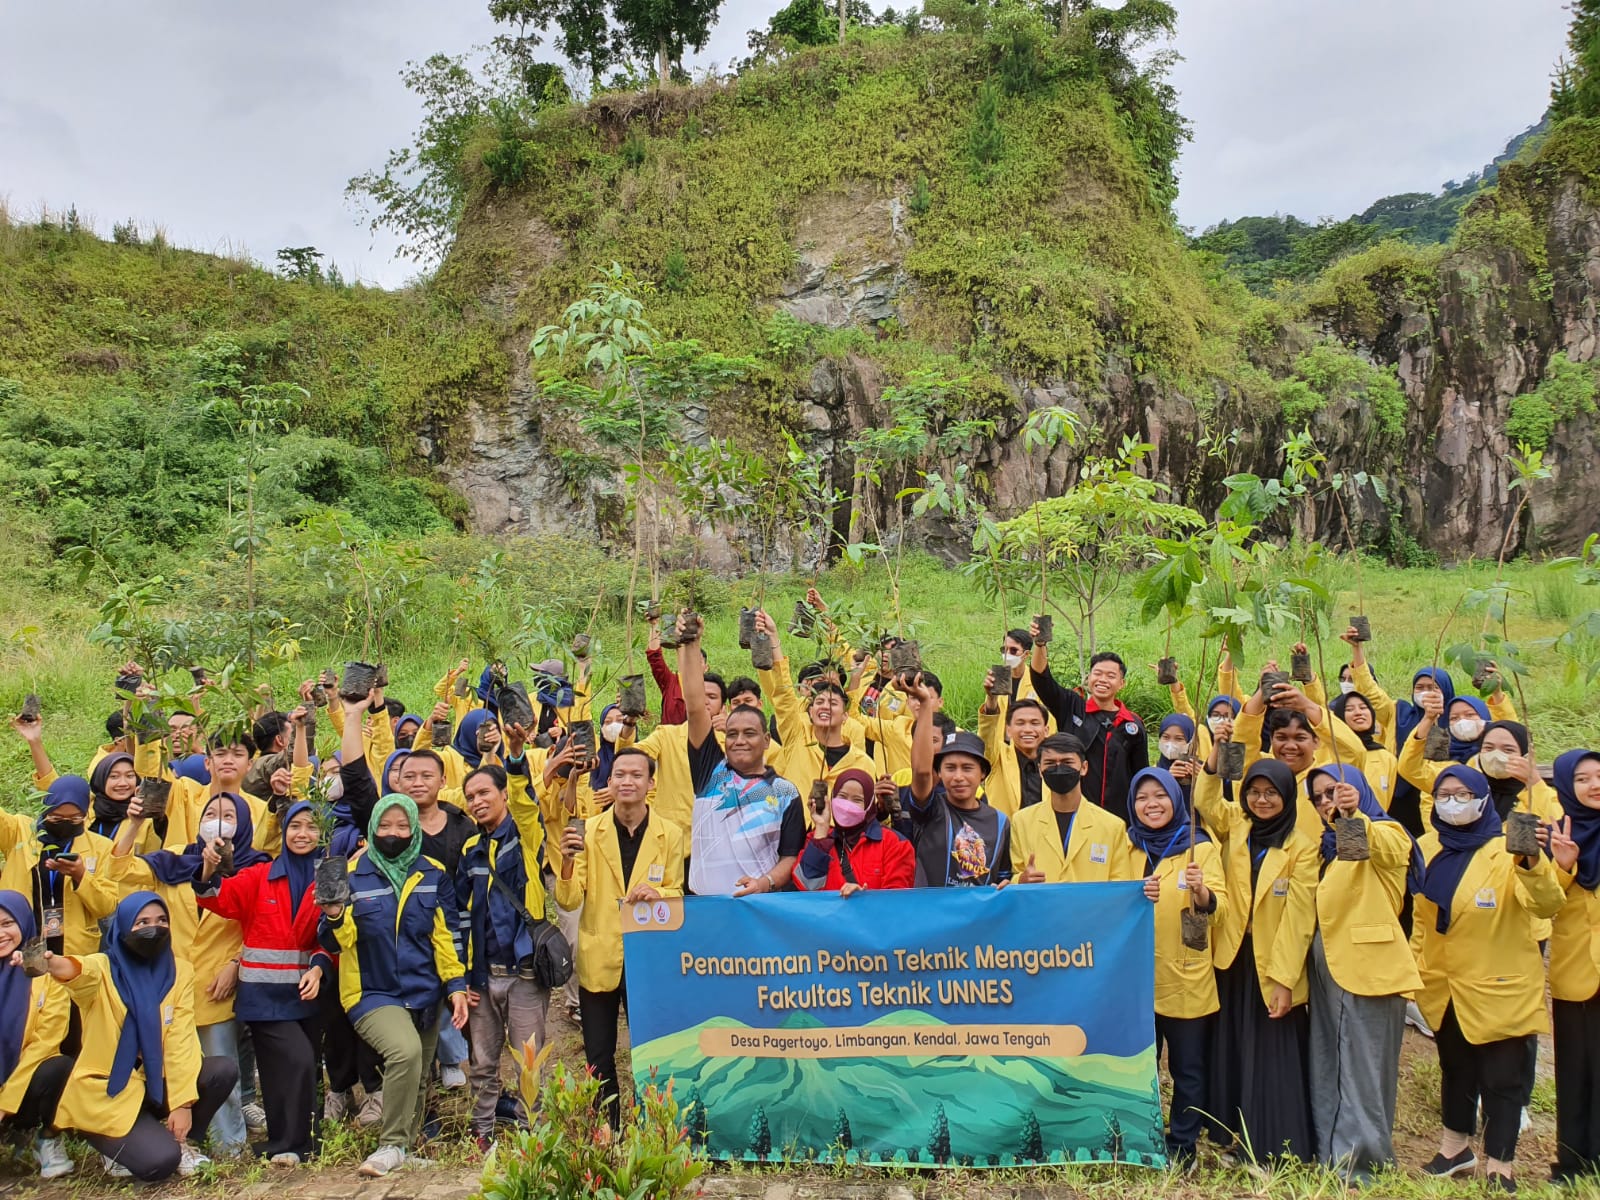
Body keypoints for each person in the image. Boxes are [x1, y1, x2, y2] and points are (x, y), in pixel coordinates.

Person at [1413, 765, 1563, 1190]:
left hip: (1498, 983)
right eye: (1445, 793)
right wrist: (1419, 966)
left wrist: (1533, 863)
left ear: (1482, 800)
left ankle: (1501, 1165)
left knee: (1502, 1078)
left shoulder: (1508, 849)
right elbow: (1422, 920)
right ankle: (1453, 1149)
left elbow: (1546, 904)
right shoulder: (1427, 846)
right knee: (1455, 1068)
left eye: (1463, 793)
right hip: (1445, 984)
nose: (1453, 801)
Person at [318, 792, 468, 1177]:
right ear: (372, 828)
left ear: (415, 829)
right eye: (385, 825)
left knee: (418, 1073)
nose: (393, 833)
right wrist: (335, 914)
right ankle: (390, 1145)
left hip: (424, 991)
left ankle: (407, 1144)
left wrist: (455, 985)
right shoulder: (352, 873)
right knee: (404, 1052)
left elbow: (446, 935)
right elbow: (335, 941)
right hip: (370, 992)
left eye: (403, 826)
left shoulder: (432, 873)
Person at [108, 788, 264, 1158]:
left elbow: (263, 924)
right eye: (211, 813)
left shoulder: (256, 867)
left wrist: (236, 964)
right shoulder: (174, 860)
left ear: (243, 826)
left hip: (217, 986)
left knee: (223, 1067)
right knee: (166, 1069)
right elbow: (119, 871)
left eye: (229, 816)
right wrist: (133, 823)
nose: (218, 822)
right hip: (167, 987)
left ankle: (231, 1146)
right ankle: (173, 1142)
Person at [48, 892, 239, 1181]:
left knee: (220, 1070)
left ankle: (180, 1141)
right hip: (107, 1092)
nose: (154, 928)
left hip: (152, 1082)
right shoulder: (103, 967)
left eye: (162, 920)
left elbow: (181, 1040)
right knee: (158, 1164)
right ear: (124, 927)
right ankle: (113, 1144)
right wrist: (50, 962)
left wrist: (182, 1104)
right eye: (142, 922)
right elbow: (76, 971)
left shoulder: (179, 971)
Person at [1193, 757, 1317, 1166]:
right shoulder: (1239, 827)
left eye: (1271, 793)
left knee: (1270, 1054)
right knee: (1232, 1046)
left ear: (1287, 796)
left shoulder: (1302, 846)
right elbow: (1206, 800)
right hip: (1232, 957)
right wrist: (1212, 765)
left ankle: (1273, 1146)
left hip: (1272, 961)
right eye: (1254, 792)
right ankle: (1233, 1134)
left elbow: (1299, 920)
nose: (1262, 800)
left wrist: (1283, 978)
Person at [194, 801, 331, 1166]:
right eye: (295, 827)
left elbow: (330, 938)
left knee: (297, 1067)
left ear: (323, 833)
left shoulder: (329, 878)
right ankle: (292, 1142)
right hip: (263, 996)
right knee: (297, 1061)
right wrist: (208, 869)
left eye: (311, 827)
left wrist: (318, 968)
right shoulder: (260, 875)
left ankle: (297, 1142)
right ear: (283, 833)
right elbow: (215, 899)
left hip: (306, 994)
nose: (303, 834)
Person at [1303, 764, 1421, 1184]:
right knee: (1331, 1064)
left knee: (1364, 1072)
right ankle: (1332, 1153)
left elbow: (1388, 848)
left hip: (1367, 971)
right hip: (1329, 972)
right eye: (1317, 797)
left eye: (1332, 791)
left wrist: (1356, 816)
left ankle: (1363, 1166)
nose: (1325, 802)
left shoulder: (1384, 832)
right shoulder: (1328, 848)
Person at [556, 747, 685, 1126]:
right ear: (609, 782)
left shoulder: (670, 834)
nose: (627, 781)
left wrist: (658, 894)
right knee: (598, 1052)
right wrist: (565, 861)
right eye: (620, 775)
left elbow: (677, 893)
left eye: (636, 775)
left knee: (652, 1048)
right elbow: (569, 897)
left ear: (651, 783)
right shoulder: (589, 831)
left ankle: (655, 1127)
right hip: (599, 954)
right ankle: (608, 1130)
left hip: (647, 957)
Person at [1125, 768, 1223, 1169]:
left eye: (1160, 795)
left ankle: (1183, 1143)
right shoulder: (1127, 846)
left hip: (1186, 973)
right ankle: (1142, 1137)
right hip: (1135, 976)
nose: (1152, 804)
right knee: (1140, 1064)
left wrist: (1201, 891)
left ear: (1176, 800)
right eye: (1142, 797)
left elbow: (1221, 909)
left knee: (1187, 1068)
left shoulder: (1200, 847)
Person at [454, 762, 554, 1150]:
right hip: (482, 975)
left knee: (528, 1062)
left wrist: (515, 758)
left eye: (484, 793)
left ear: (502, 795)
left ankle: (534, 1135)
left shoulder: (526, 836)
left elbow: (527, 807)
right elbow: (462, 914)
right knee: (482, 1061)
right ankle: (483, 1133)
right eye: (471, 797)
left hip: (525, 973)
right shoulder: (470, 849)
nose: (477, 801)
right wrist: (464, 976)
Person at [678, 614, 805, 897]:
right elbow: (695, 706)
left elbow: (789, 856)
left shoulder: (786, 792)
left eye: (750, 733)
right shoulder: (710, 772)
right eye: (732, 734)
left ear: (767, 740)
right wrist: (691, 644)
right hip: (706, 909)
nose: (739, 740)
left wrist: (765, 883)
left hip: (758, 910)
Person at [1543, 749, 1600, 1185]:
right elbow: (1544, 904)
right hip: (1577, 972)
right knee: (1576, 1070)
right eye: (1582, 779)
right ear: (1566, 787)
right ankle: (1574, 1161)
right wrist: (1564, 867)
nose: (1594, 785)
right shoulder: (1558, 835)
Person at [756, 611, 875, 813]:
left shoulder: (862, 762)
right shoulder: (797, 736)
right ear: (809, 711)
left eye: (833, 703)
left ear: (846, 714)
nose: (825, 706)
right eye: (819, 701)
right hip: (796, 835)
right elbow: (784, 697)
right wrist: (774, 639)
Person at [904, 676, 1012, 887]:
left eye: (968, 768)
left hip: (978, 917)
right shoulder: (931, 808)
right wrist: (925, 704)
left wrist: (1012, 884)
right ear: (940, 773)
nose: (959, 776)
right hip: (934, 915)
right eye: (950, 768)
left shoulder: (1000, 822)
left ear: (982, 773)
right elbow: (921, 772)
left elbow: (1003, 876)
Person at [1027, 634, 1147, 820]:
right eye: (1097, 673)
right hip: (1073, 812)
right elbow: (1042, 680)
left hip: (1117, 817)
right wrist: (1040, 644)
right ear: (1089, 677)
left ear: (1121, 684)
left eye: (1111, 676)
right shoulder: (1072, 706)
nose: (1102, 680)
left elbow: (1141, 774)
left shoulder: (1132, 724)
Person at [0, 772, 119, 957]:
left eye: (74, 819)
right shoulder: (20, 831)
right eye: (55, 818)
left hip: (73, 946)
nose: (65, 823)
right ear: (45, 810)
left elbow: (106, 907)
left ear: (86, 814)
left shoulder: (101, 847)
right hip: (21, 941)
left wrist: (81, 875)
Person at [0, 889, 75, 1179]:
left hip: (22, 1091)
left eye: (7, 924)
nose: (1, 933)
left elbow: (45, 1044)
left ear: (24, 922)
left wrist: (5, 1105)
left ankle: (39, 1135)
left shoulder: (46, 975)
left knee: (58, 1067)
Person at [1010, 734, 1133, 884]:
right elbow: (1015, 874)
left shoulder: (1112, 826)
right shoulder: (1022, 821)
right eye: (1050, 763)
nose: (1059, 768)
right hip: (1042, 906)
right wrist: (1021, 880)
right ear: (1041, 770)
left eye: (1067, 762)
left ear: (1083, 768)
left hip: (1091, 907)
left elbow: (1121, 885)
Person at [792, 769, 914, 892]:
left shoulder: (894, 844)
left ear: (869, 804)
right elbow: (805, 887)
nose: (847, 805)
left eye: (857, 800)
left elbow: (897, 900)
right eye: (842, 797)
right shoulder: (817, 838)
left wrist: (862, 899)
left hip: (870, 911)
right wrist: (821, 827)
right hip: (827, 912)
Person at [977, 689, 1050, 816]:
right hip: (1005, 833)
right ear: (1008, 730)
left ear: (1046, 730)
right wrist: (992, 700)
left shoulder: (1055, 763)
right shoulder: (997, 758)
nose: (1027, 729)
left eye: (1034, 723)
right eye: (1020, 723)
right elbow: (986, 736)